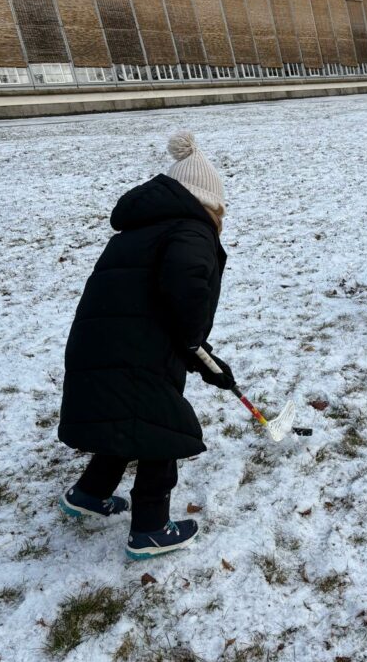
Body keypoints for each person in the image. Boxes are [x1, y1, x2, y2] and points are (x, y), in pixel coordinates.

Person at [58, 131, 235, 559]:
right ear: (207, 201)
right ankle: (151, 528)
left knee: (131, 416)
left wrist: (201, 356)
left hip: (106, 343)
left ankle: (89, 493)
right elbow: (188, 288)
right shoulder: (191, 230)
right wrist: (193, 342)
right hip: (136, 349)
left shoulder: (143, 229)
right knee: (160, 428)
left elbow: (157, 299)